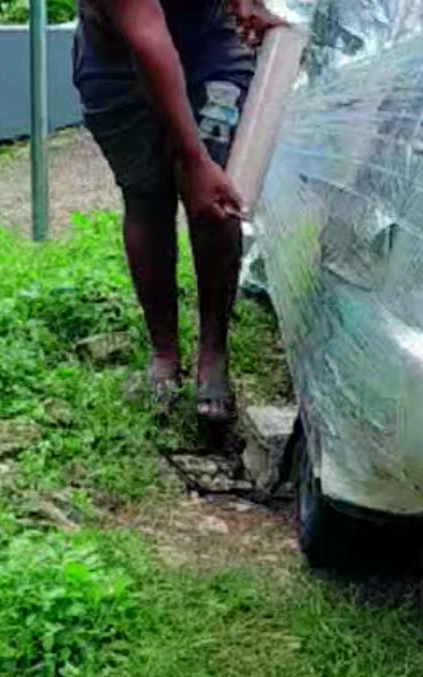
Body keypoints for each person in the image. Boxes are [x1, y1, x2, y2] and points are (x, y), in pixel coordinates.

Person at [73, 0, 284, 422]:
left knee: (217, 202)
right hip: (120, 62)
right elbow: (149, 39)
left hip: (208, 46)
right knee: (147, 195)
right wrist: (194, 160)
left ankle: (214, 351)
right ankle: (165, 352)